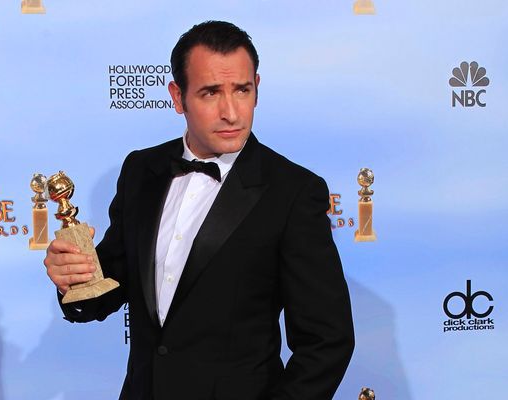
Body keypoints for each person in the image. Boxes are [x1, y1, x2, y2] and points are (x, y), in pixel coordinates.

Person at [44, 20, 354, 400]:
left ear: (257, 88)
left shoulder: (293, 191)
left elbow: (327, 341)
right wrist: (73, 278)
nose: (231, 112)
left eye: (242, 90)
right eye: (210, 93)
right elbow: (110, 285)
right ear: (178, 97)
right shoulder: (141, 170)